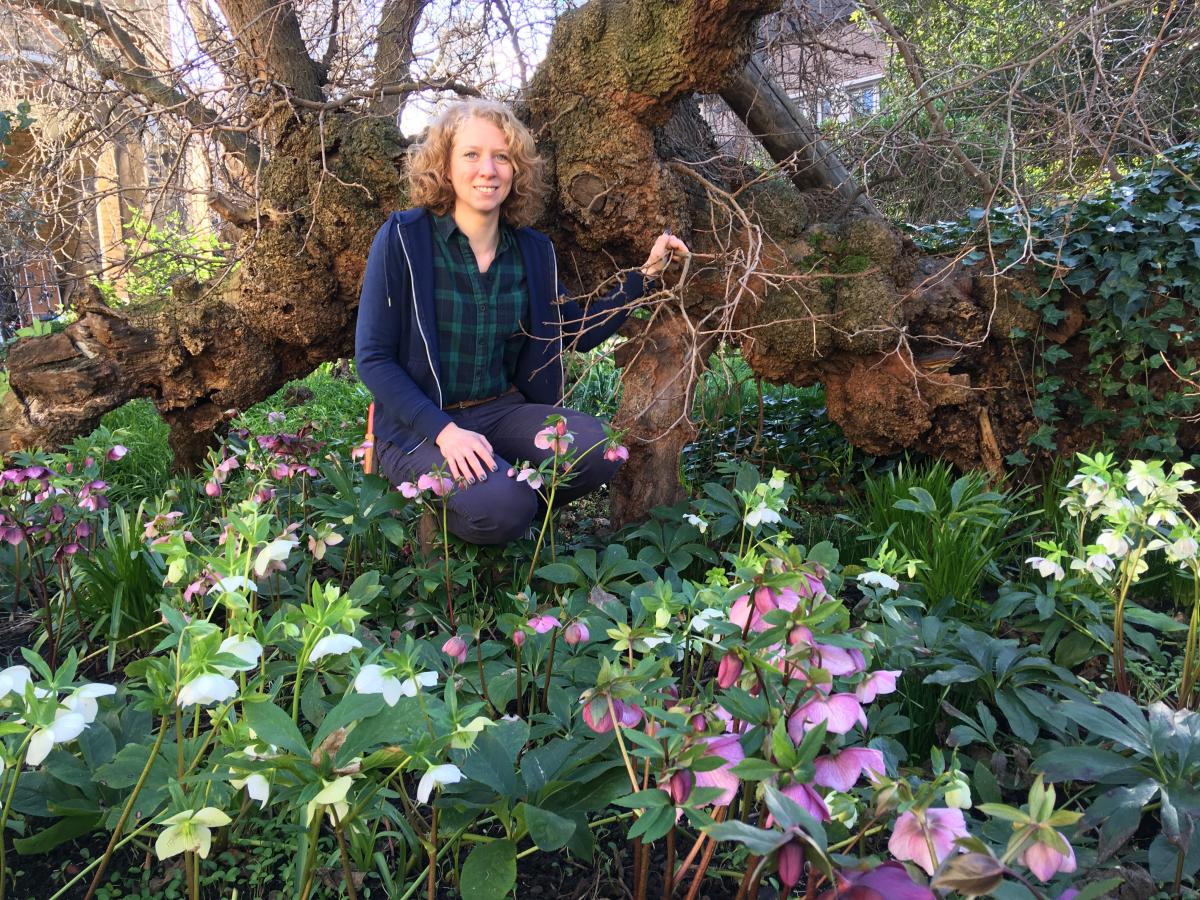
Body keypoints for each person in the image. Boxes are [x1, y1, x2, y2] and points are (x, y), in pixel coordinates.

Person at [355, 99, 688, 545]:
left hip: (501, 411)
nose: (486, 169)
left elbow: (577, 330)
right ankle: (470, 508)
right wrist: (445, 433)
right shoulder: (404, 237)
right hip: (419, 424)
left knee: (597, 447)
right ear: (445, 166)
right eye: (470, 155)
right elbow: (373, 359)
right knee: (505, 506)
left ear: (516, 171)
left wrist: (646, 276)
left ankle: (499, 499)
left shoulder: (532, 250)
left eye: (502, 156)